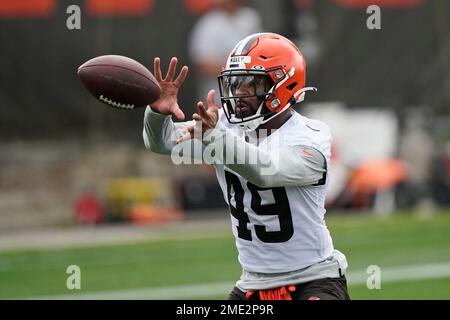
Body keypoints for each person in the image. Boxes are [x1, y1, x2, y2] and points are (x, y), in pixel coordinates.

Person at [143, 33, 350, 300]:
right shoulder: (223, 130)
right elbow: (162, 142)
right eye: (235, 82)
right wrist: (157, 113)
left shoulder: (311, 136)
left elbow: (266, 170)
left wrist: (216, 138)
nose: (238, 93)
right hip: (252, 284)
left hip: (313, 280)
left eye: (251, 84)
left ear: (283, 85)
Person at [188, 0, 262, 101]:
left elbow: (261, 51)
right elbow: (203, 64)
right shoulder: (208, 23)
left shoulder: (250, 17)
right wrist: (238, 66)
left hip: (250, 97)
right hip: (218, 98)